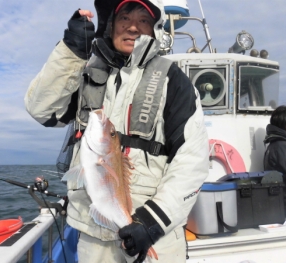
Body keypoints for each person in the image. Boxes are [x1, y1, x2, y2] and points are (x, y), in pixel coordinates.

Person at [24, 0, 209, 262]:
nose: (133, 27)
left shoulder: (173, 80)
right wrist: (71, 51)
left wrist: (151, 222)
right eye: (125, 18)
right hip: (93, 238)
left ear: (153, 29)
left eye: (143, 20)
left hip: (157, 237)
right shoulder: (85, 72)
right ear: (111, 25)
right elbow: (41, 110)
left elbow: (193, 160)